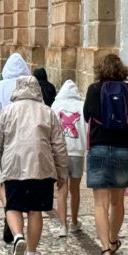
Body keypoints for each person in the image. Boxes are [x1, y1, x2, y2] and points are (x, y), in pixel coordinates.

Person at [0, 75, 68, 255]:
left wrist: (0, 158)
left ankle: (17, 237)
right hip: (41, 168)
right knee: (35, 210)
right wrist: (62, 171)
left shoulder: (8, 111)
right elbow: (59, 145)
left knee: (13, 206)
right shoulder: (47, 112)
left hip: (13, 166)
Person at [83, 54, 128, 255]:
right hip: (123, 150)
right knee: (118, 202)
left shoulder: (93, 90)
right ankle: (114, 240)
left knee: (100, 204)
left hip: (98, 150)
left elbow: (87, 116)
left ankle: (105, 249)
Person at [0, 52, 31, 244]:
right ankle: (16, 217)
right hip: (28, 143)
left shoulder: (1, 86)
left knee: (5, 182)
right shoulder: (30, 84)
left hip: (7, 142)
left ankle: (9, 212)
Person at [51, 79, 87, 237]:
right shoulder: (82, 106)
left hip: (60, 152)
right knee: (75, 189)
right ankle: (74, 221)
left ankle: (63, 225)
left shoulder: (55, 106)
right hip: (77, 151)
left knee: (61, 188)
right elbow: (86, 127)